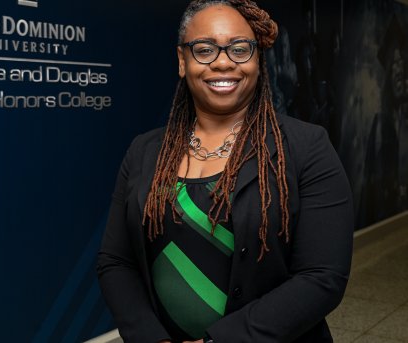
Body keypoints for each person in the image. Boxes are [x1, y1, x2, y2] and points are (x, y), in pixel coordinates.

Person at [96, 1, 354, 342]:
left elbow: (323, 277)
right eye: (204, 49)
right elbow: (115, 261)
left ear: (257, 60)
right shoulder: (144, 151)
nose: (222, 61)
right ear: (181, 61)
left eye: (239, 49)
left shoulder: (307, 148)